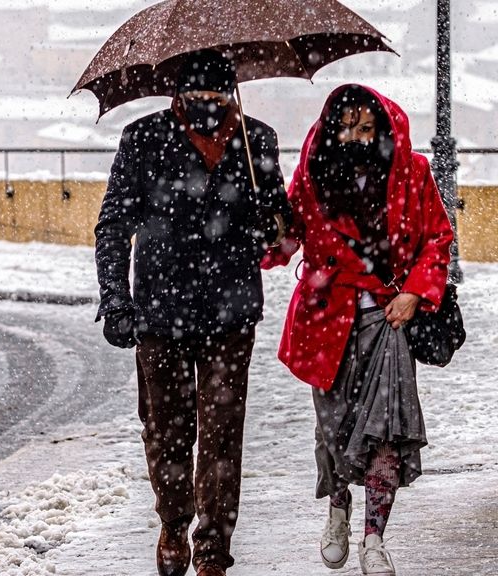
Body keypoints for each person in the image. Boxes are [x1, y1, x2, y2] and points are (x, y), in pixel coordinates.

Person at [94, 49, 290, 576]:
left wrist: (269, 225)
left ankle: (212, 550)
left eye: (217, 96)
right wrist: (114, 297)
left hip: (231, 311)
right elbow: (113, 224)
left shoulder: (258, 141)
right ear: (178, 94)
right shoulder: (143, 139)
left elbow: (280, 222)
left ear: (230, 93)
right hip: (160, 311)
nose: (207, 104)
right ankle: (173, 521)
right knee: (165, 428)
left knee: (224, 431)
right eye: (196, 96)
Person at [262, 84, 454, 576]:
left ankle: (374, 537)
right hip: (326, 319)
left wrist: (415, 291)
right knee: (333, 433)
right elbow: (283, 248)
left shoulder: (413, 173)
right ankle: (339, 508)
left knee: (386, 431)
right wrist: (271, 229)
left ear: (384, 130)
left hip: (388, 316)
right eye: (347, 126)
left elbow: (437, 237)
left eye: (366, 127)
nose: (355, 136)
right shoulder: (313, 176)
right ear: (332, 129)